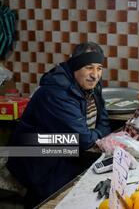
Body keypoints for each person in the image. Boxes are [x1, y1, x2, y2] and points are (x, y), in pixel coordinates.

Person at [7, 42, 112, 208]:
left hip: (65, 149)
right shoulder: (57, 92)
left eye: (99, 68)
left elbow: (104, 120)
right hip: (36, 155)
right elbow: (83, 139)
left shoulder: (92, 84)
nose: (95, 75)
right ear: (76, 66)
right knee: (59, 197)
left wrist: (95, 133)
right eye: (89, 67)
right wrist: (97, 134)